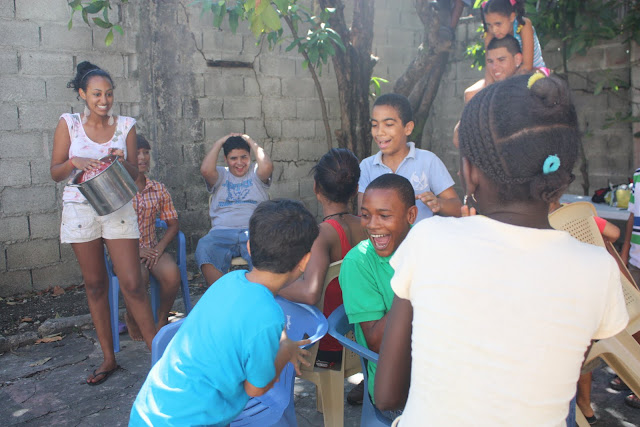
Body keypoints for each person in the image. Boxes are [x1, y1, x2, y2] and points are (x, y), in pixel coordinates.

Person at [374, 74, 629, 425]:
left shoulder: (428, 240)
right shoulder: (598, 269)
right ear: (558, 174)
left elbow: (387, 395)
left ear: (469, 172)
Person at [129, 199, 318, 426]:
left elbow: (257, 323)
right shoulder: (268, 316)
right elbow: (256, 388)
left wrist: (283, 340)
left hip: (148, 411)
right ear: (305, 261)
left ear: (249, 247)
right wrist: (284, 353)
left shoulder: (229, 281)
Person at [50, 61, 156, 385]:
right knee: (95, 284)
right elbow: (55, 172)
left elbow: (135, 174)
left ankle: (160, 357)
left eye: (109, 94)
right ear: (83, 94)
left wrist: (120, 161)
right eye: (97, 94)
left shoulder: (126, 126)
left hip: (118, 206)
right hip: (80, 209)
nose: (104, 100)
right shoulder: (69, 124)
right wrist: (74, 161)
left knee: (132, 283)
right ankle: (109, 358)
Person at [279, 148, 368, 369]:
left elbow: (310, 293)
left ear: (316, 188)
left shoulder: (322, 234)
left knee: (272, 302)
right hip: (363, 342)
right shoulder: (368, 226)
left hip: (329, 348)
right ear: (356, 189)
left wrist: (273, 284)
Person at [340, 174, 417, 411]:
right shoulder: (360, 262)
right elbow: (377, 343)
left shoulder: (424, 244)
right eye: (365, 215)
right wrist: (412, 278)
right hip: (398, 382)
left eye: (384, 216)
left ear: (411, 216)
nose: (372, 225)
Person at [358, 93, 461, 223]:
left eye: (388, 124)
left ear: (408, 128)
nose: (379, 132)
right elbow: (363, 214)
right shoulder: (367, 166)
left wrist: (439, 203)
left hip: (421, 236)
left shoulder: (428, 161)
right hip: (380, 236)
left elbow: (457, 208)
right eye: (374, 125)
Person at [196, 133, 273, 287]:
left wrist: (250, 141)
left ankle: (258, 292)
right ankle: (223, 292)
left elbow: (267, 166)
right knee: (204, 247)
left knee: (269, 250)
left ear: (250, 157)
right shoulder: (220, 174)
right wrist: (220, 142)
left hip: (254, 232)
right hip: (221, 233)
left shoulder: (256, 173)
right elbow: (205, 170)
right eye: (233, 158)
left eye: (244, 157)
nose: (239, 163)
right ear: (225, 159)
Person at [123, 135, 180, 339]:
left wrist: (159, 248)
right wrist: (137, 251)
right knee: (139, 277)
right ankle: (132, 318)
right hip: (124, 252)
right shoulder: (118, 188)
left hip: (152, 248)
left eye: (146, 153)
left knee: (172, 274)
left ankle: (162, 319)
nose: (142, 157)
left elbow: (173, 224)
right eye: (137, 153)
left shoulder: (158, 189)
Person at [482, 0, 545, 84]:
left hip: (534, 71)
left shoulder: (523, 25)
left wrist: (506, 86)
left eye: (498, 24)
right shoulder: (490, 35)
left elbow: (527, 66)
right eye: (489, 25)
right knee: (470, 92)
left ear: (512, 17)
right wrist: (489, 88)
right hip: (506, 75)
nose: (494, 30)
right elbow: (489, 71)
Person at [619, 167, 640, 410]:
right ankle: (633, 373)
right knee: (634, 321)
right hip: (635, 258)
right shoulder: (637, 174)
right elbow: (633, 215)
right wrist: (625, 251)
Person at [464, 34, 523, 103]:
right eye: (490, 61)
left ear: (517, 59)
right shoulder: (475, 94)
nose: (494, 67)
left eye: (501, 60)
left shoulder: (529, 87)